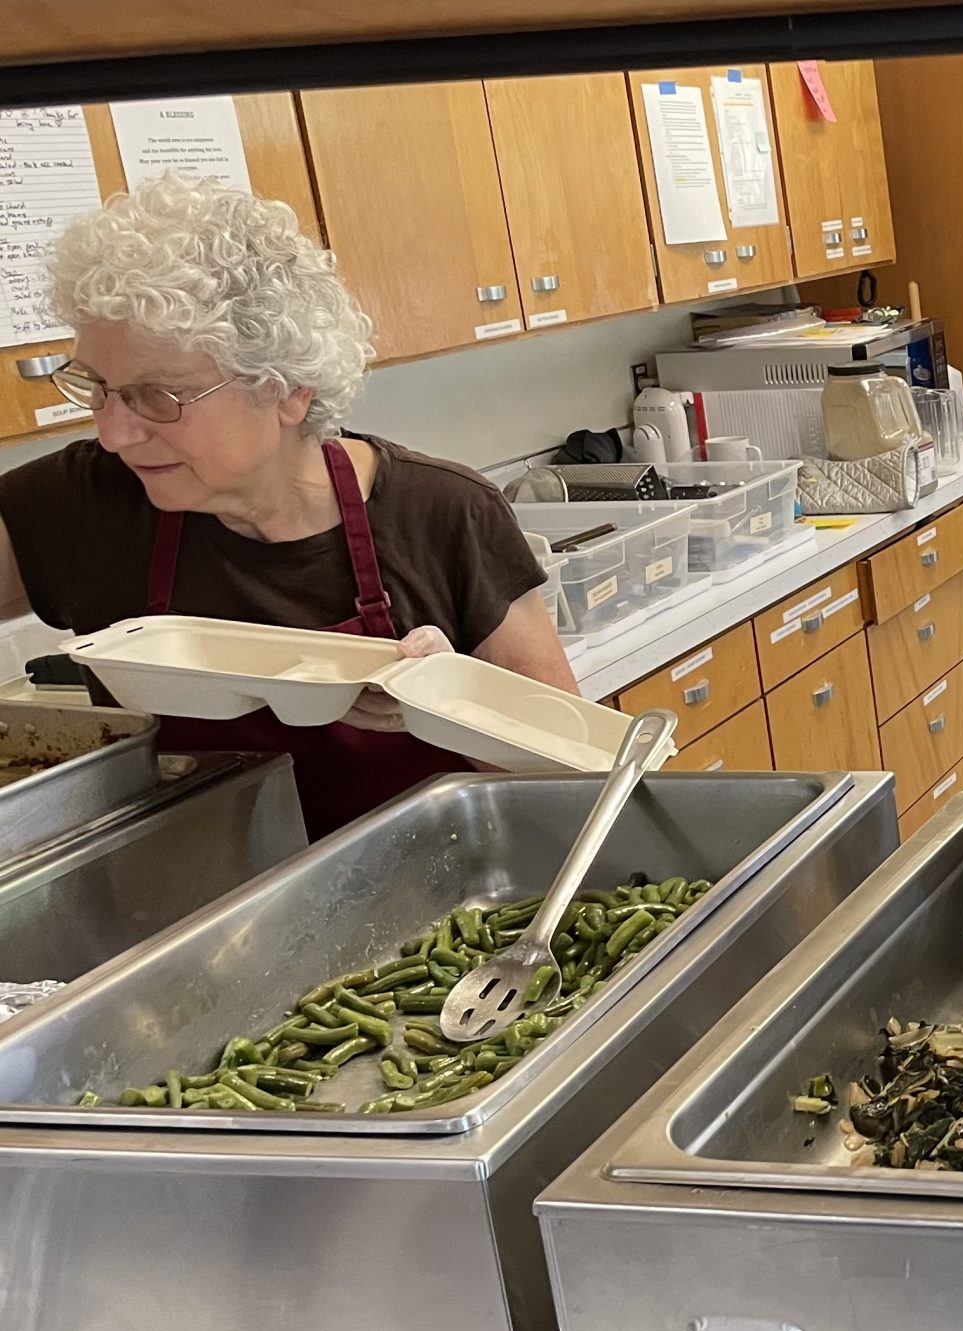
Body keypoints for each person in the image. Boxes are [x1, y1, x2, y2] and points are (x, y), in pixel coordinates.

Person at [0, 174, 575, 836]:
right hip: (195, 914)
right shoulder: (84, 505)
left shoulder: (444, 516)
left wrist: (460, 706)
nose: (112, 433)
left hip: (432, 913)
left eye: (158, 395)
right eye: (98, 388)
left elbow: (576, 784)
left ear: (288, 389)